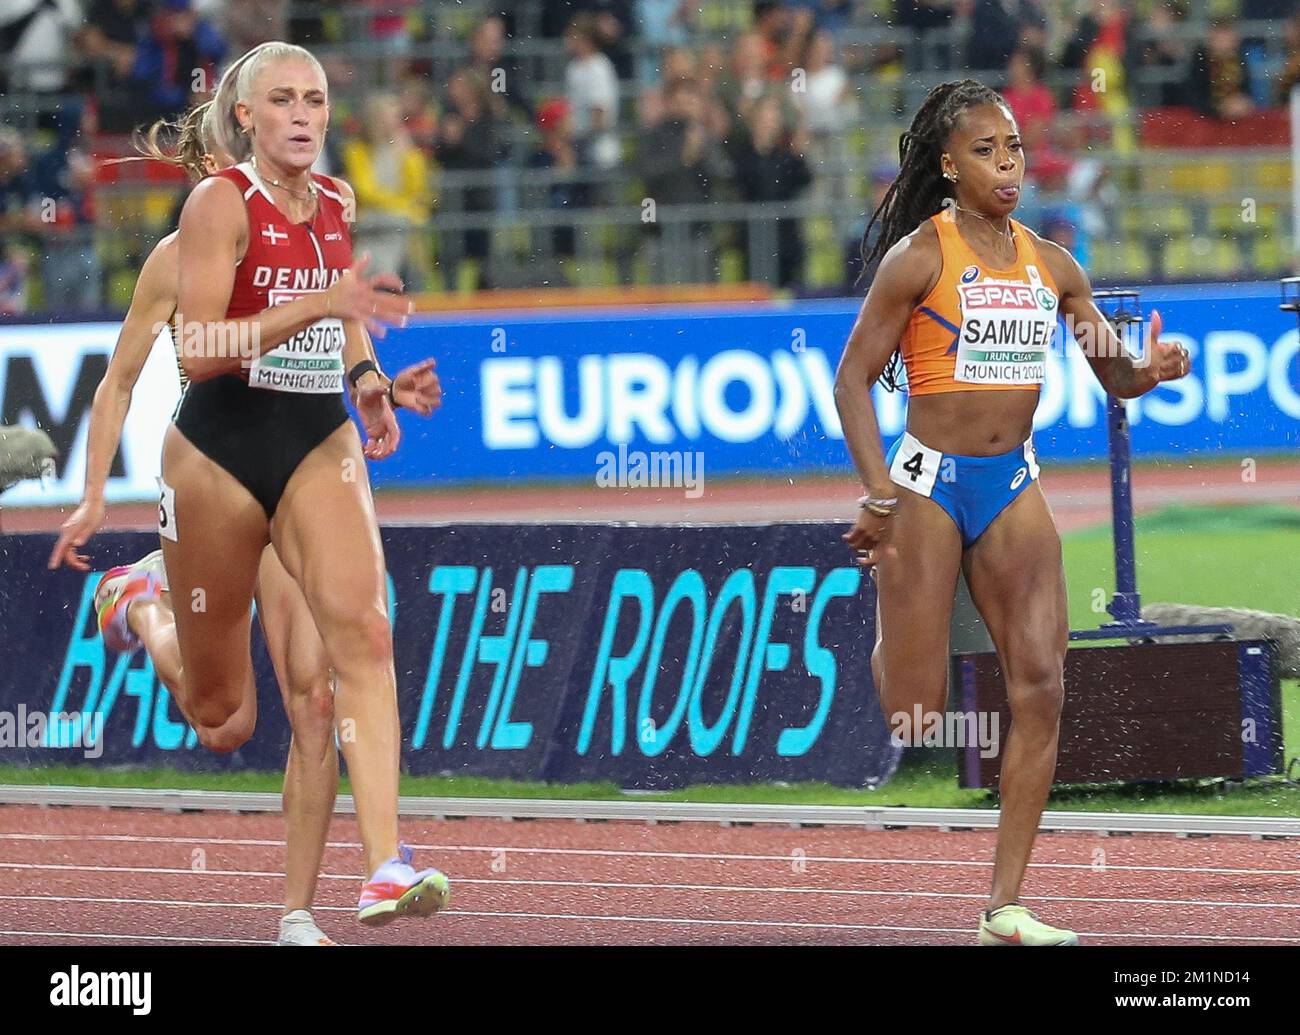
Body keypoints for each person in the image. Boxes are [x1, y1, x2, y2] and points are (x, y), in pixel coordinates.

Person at [47, 95, 442, 944]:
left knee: (315, 692)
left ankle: (298, 912)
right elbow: (118, 381)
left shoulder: (322, 211)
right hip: (219, 474)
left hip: (298, 463)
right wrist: (90, 497)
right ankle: (140, 602)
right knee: (224, 719)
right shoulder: (175, 257)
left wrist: (374, 379)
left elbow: (337, 318)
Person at [834, 79, 1190, 946]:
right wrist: (879, 491)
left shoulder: (1054, 265)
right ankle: (891, 634)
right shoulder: (920, 255)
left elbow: (1114, 375)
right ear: (949, 166)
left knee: (1041, 686)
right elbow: (851, 380)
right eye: (986, 152)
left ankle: (1005, 905)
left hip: (1011, 483)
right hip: (924, 483)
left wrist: (1153, 369)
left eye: (1016, 149)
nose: (1006, 165)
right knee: (913, 710)